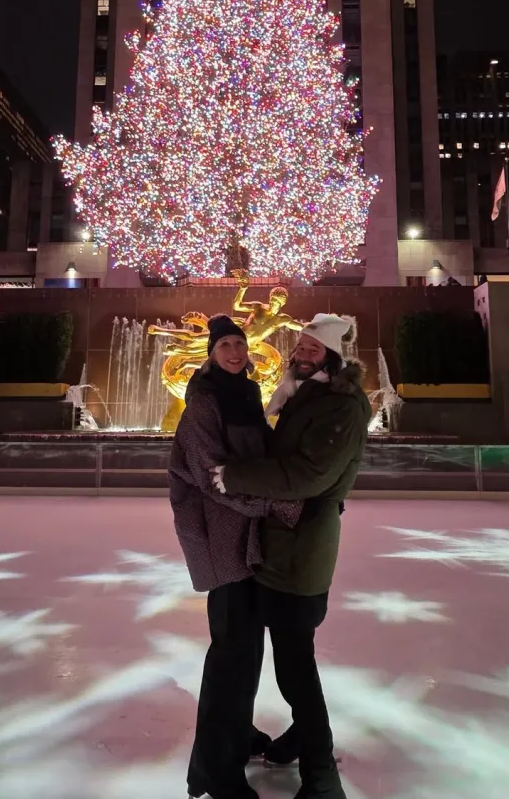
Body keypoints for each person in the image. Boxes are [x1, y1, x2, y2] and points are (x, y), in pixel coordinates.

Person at [212, 314, 372, 799]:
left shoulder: (342, 405)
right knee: (292, 659)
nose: (302, 355)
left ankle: (322, 779)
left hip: (301, 549)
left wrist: (234, 476)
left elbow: (308, 475)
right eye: (300, 347)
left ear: (333, 358)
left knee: (295, 667)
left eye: (313, 350)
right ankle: (297, 743)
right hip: (283, 542)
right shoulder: (310, 395)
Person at [169, 314, 302, 799]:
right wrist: (276, 503)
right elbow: (213, 476)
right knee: (231, 652)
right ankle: (215, 770)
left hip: (249, 537)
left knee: (247, 647)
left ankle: (238, 737)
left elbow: (261, 460)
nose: (235, 352)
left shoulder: (245, 395)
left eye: (239, 344)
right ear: (211, 351)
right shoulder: (202, 406)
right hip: (221, 538)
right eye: (225, 344)